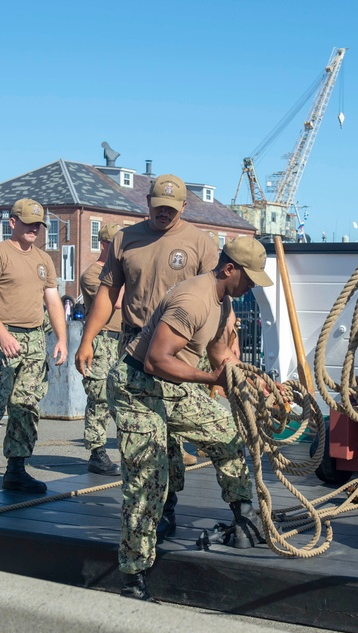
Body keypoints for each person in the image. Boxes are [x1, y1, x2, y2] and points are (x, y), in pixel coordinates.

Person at [75, 174, 252, 544]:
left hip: (184, 354)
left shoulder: (200, 243)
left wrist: (229, 362)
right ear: (148, 203)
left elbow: (222, 300)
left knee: (207, 433)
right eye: (158, 208)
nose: (164, 215)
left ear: (184, 207)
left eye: (171, 210)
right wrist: (87, 339)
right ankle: (163, 512)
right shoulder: (126, 239)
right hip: (138, 351)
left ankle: (242, 513)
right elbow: (107, 295)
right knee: (156, 450)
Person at [109, 235, 273, 600]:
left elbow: (219, 357)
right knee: (148, 480)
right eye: (247, 278)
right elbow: (156, 359)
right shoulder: (193, 298)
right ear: (228, 268)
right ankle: (133, 578)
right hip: (138, 386)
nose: (250, 287)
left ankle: (243, 515)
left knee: (227, 434)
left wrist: (247, 384)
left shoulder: (224, 304)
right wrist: (209, 380)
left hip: (173, 385)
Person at [0, 198, 68, 505]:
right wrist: (2, 334)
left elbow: (52, 301)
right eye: (28, 223)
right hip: (2, 341)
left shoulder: (44, 259)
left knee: (25, 409)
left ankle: (16, 470)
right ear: (13, 223)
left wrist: (61, 339)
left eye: (38, 225)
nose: (34, 229)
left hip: (35, 341)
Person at [78, 222, 124, 476]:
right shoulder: (92, 274)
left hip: (123, 338)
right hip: (102, 339)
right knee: (99, 397)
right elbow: (116, 302)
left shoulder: (120, 273)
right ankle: (97, 452)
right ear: (104, 244)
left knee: (124, 396)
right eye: (116, 244)